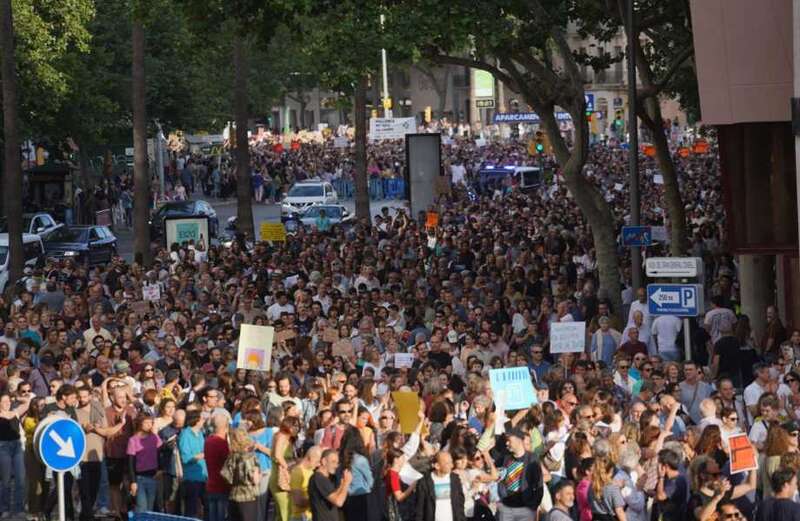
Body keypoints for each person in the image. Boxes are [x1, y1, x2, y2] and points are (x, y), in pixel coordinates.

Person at [222, 428, 261, 521]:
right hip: (248, 497)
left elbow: (226, 476)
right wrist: (260, 475)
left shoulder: (231, 457)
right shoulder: (250, 457)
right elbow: (255, 480)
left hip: (234, 495)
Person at [415, 451, 467, 521]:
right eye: (447, 463)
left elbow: (460, 504)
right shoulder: (424, 482)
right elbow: (419, 509)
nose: (452, 466)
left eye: (451, 462)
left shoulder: (455, 480)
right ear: (437, 466)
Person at [127, 413, 162, 512]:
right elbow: (131, 462)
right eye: (146, 422)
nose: (149, 425)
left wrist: (160, 469)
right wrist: (133, 481)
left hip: (153, 477)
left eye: (151, 423)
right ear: (140, 423)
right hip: (140, 478)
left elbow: (160, 454)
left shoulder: (155, 437)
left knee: (150, 508)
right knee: (141, 507)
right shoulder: (133, 440)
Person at [178, 410, 207, 519]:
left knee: (205, 507)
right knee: (191, 509)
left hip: (203, 475)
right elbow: (185, 458)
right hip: (191, 478)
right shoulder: (185, 434)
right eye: (202, 418)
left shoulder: (200, 434)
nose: (204, 421)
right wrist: (201, 455)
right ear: (196, 420)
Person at [309, 449, 352, 521]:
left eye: (337, 463)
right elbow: (339, 502)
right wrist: (346, 483)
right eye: (333, 462)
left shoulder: (323, 479)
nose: (336, 466)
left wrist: (342, 484)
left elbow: (334, 496)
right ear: (324, 461)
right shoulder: (319, 479)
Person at [204, 414, 231, 521]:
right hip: (222, 485)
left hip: (211, 484)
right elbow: (228, 463)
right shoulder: (222, 443)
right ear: (226, 427)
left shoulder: (208, 441)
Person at [289, 446, 322, 521]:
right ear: (310, 458)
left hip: (309, 515)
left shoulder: (310, 470)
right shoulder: (297, 472)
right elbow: (298, 501)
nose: (318, 465)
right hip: (300, 517)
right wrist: (316, 500)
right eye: (317, 461)